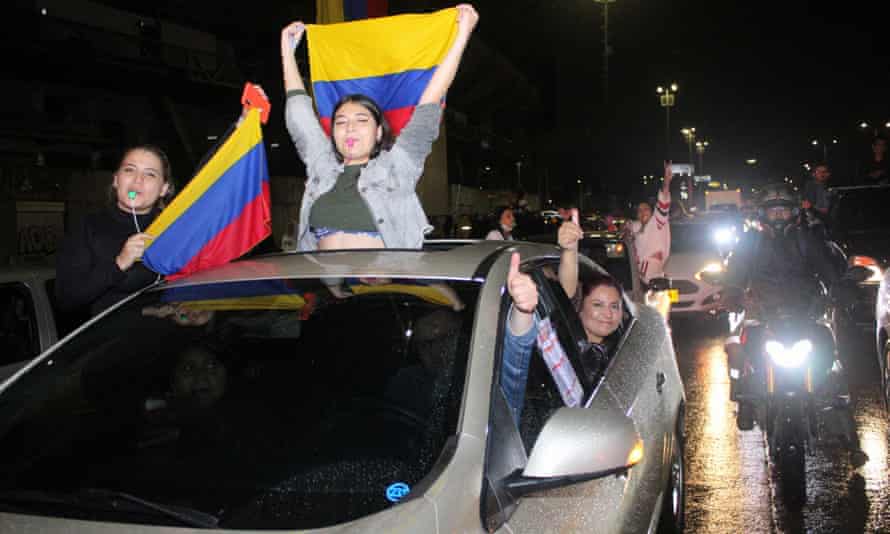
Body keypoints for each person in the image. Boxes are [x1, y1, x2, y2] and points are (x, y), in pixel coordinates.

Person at [281, 5, 479, 251]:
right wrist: (287, 51)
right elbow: (299, 115)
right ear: (333, 133)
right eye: (341, 122)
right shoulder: (322, 167)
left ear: (378, 132)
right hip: (326, 286)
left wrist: (462, 35)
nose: (350, 128)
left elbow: (429, 103)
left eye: (361, 120)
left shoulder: (398, 166)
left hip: (385, 286)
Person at [721, 183, 864, 457]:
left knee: (833, 368)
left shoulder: (807, 239)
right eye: (772, 211)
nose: (777, 216)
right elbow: (736, 271)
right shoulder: (750, 242)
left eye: (783, 211)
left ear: (793, 213)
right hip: (764, 314)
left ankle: (849, 439)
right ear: (763, 214)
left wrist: (842, 289)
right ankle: (746, 399)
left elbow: (828, 269)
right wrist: (731, 291)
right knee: (740, 346)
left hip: (805, 314)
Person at [56, 145, 174, 316]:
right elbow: (66, 298)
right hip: (110, 339)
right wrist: (119, 263)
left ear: (164, 188)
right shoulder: (88, 227)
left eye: (150, 174)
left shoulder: (175, 229)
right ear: (116, 180)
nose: (137, 180)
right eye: (129, 170)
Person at [625, 161, 672, 286]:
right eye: (639, 210)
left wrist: (666, 181)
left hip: (652, 271)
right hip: (638, 272)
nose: (642, 212)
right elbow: (626, 227)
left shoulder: (658, 222)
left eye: (645, 209)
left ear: (652, 211)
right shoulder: (636, 226)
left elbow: (664, 201)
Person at [802, 161, 833, 228]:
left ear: (828, 174)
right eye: (819, 171)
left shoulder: (830, 188)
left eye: (824, 172)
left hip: (825, 222)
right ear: (814, 174)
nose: (822, 174)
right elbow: (806, 205)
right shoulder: (810, 185)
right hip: (813, 221)